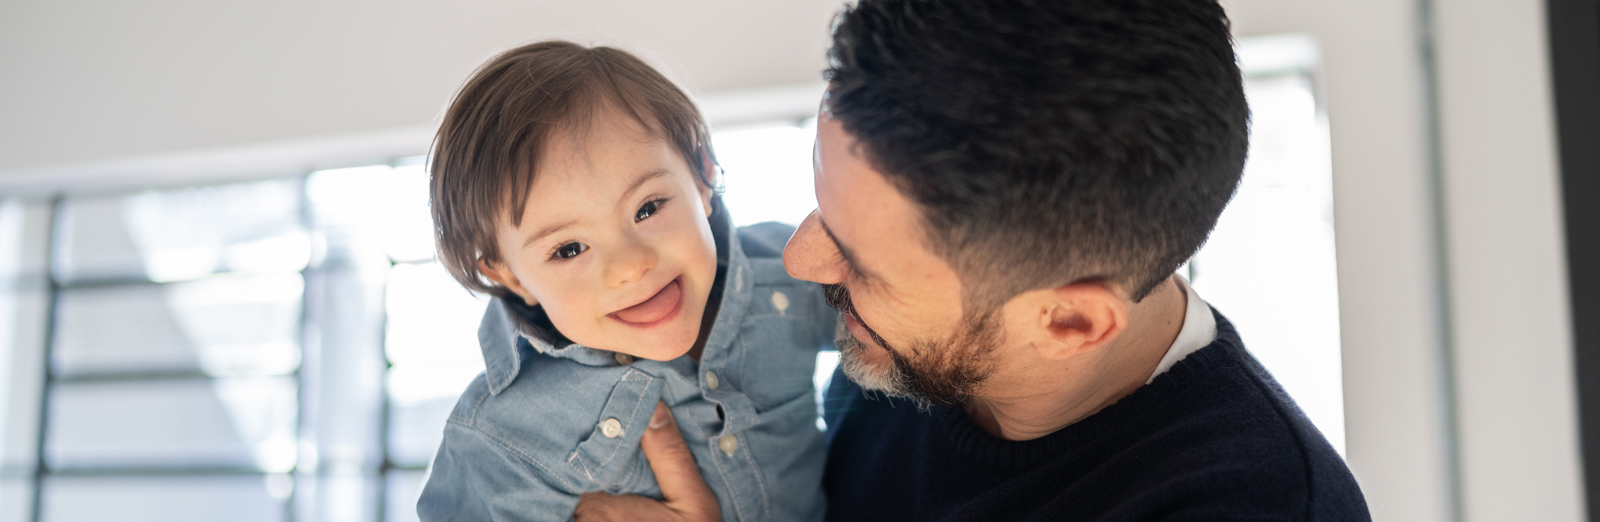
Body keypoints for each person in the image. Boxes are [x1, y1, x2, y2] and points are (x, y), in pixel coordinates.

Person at [575, 0, 1371, 520]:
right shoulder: (909, 353)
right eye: (824, 206)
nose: (803, 259)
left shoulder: (1250, 503)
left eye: (861, 259)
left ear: (1066, 319)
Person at [416, 41, 836, 522]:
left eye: (647, 208)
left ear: (701, 178)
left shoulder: (785, 277)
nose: (630, 266)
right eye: (569, 249)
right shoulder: (502, 436)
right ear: (511, 276)